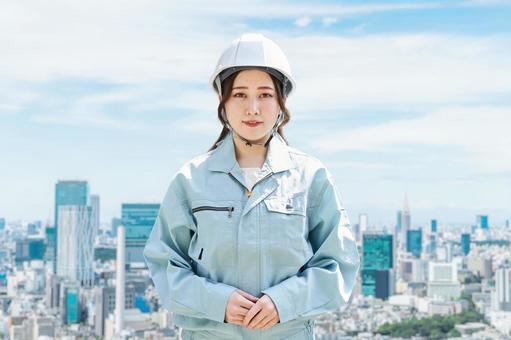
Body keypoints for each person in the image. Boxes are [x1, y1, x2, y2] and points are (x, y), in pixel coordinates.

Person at [143, 32, 360, 340]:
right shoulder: (191, 180)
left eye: (265, 94)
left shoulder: (310, 177)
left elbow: (339, 264)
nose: (253, 108)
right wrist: (218, 302)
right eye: (240, 94)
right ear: (223, 102)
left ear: (281, 102)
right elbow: (164, 265)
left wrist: (283, 302)